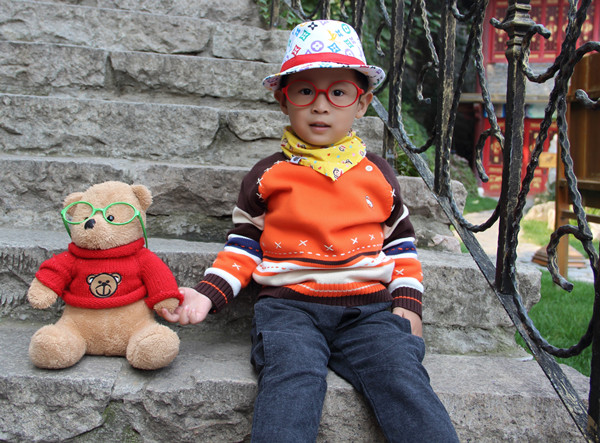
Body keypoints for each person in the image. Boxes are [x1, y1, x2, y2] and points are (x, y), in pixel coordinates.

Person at [161, 20, 458, 443]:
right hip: (289, 310)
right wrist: (208, 294)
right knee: (291, 377)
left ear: (362, 104)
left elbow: (401, 246)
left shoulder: (377, 174)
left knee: (401, 373)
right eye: (305, 91)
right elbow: (243, 247)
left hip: (369, 312)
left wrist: (408, 304)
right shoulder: (268, 176)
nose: (321, 106)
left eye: (339, 92)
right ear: (284, 101)